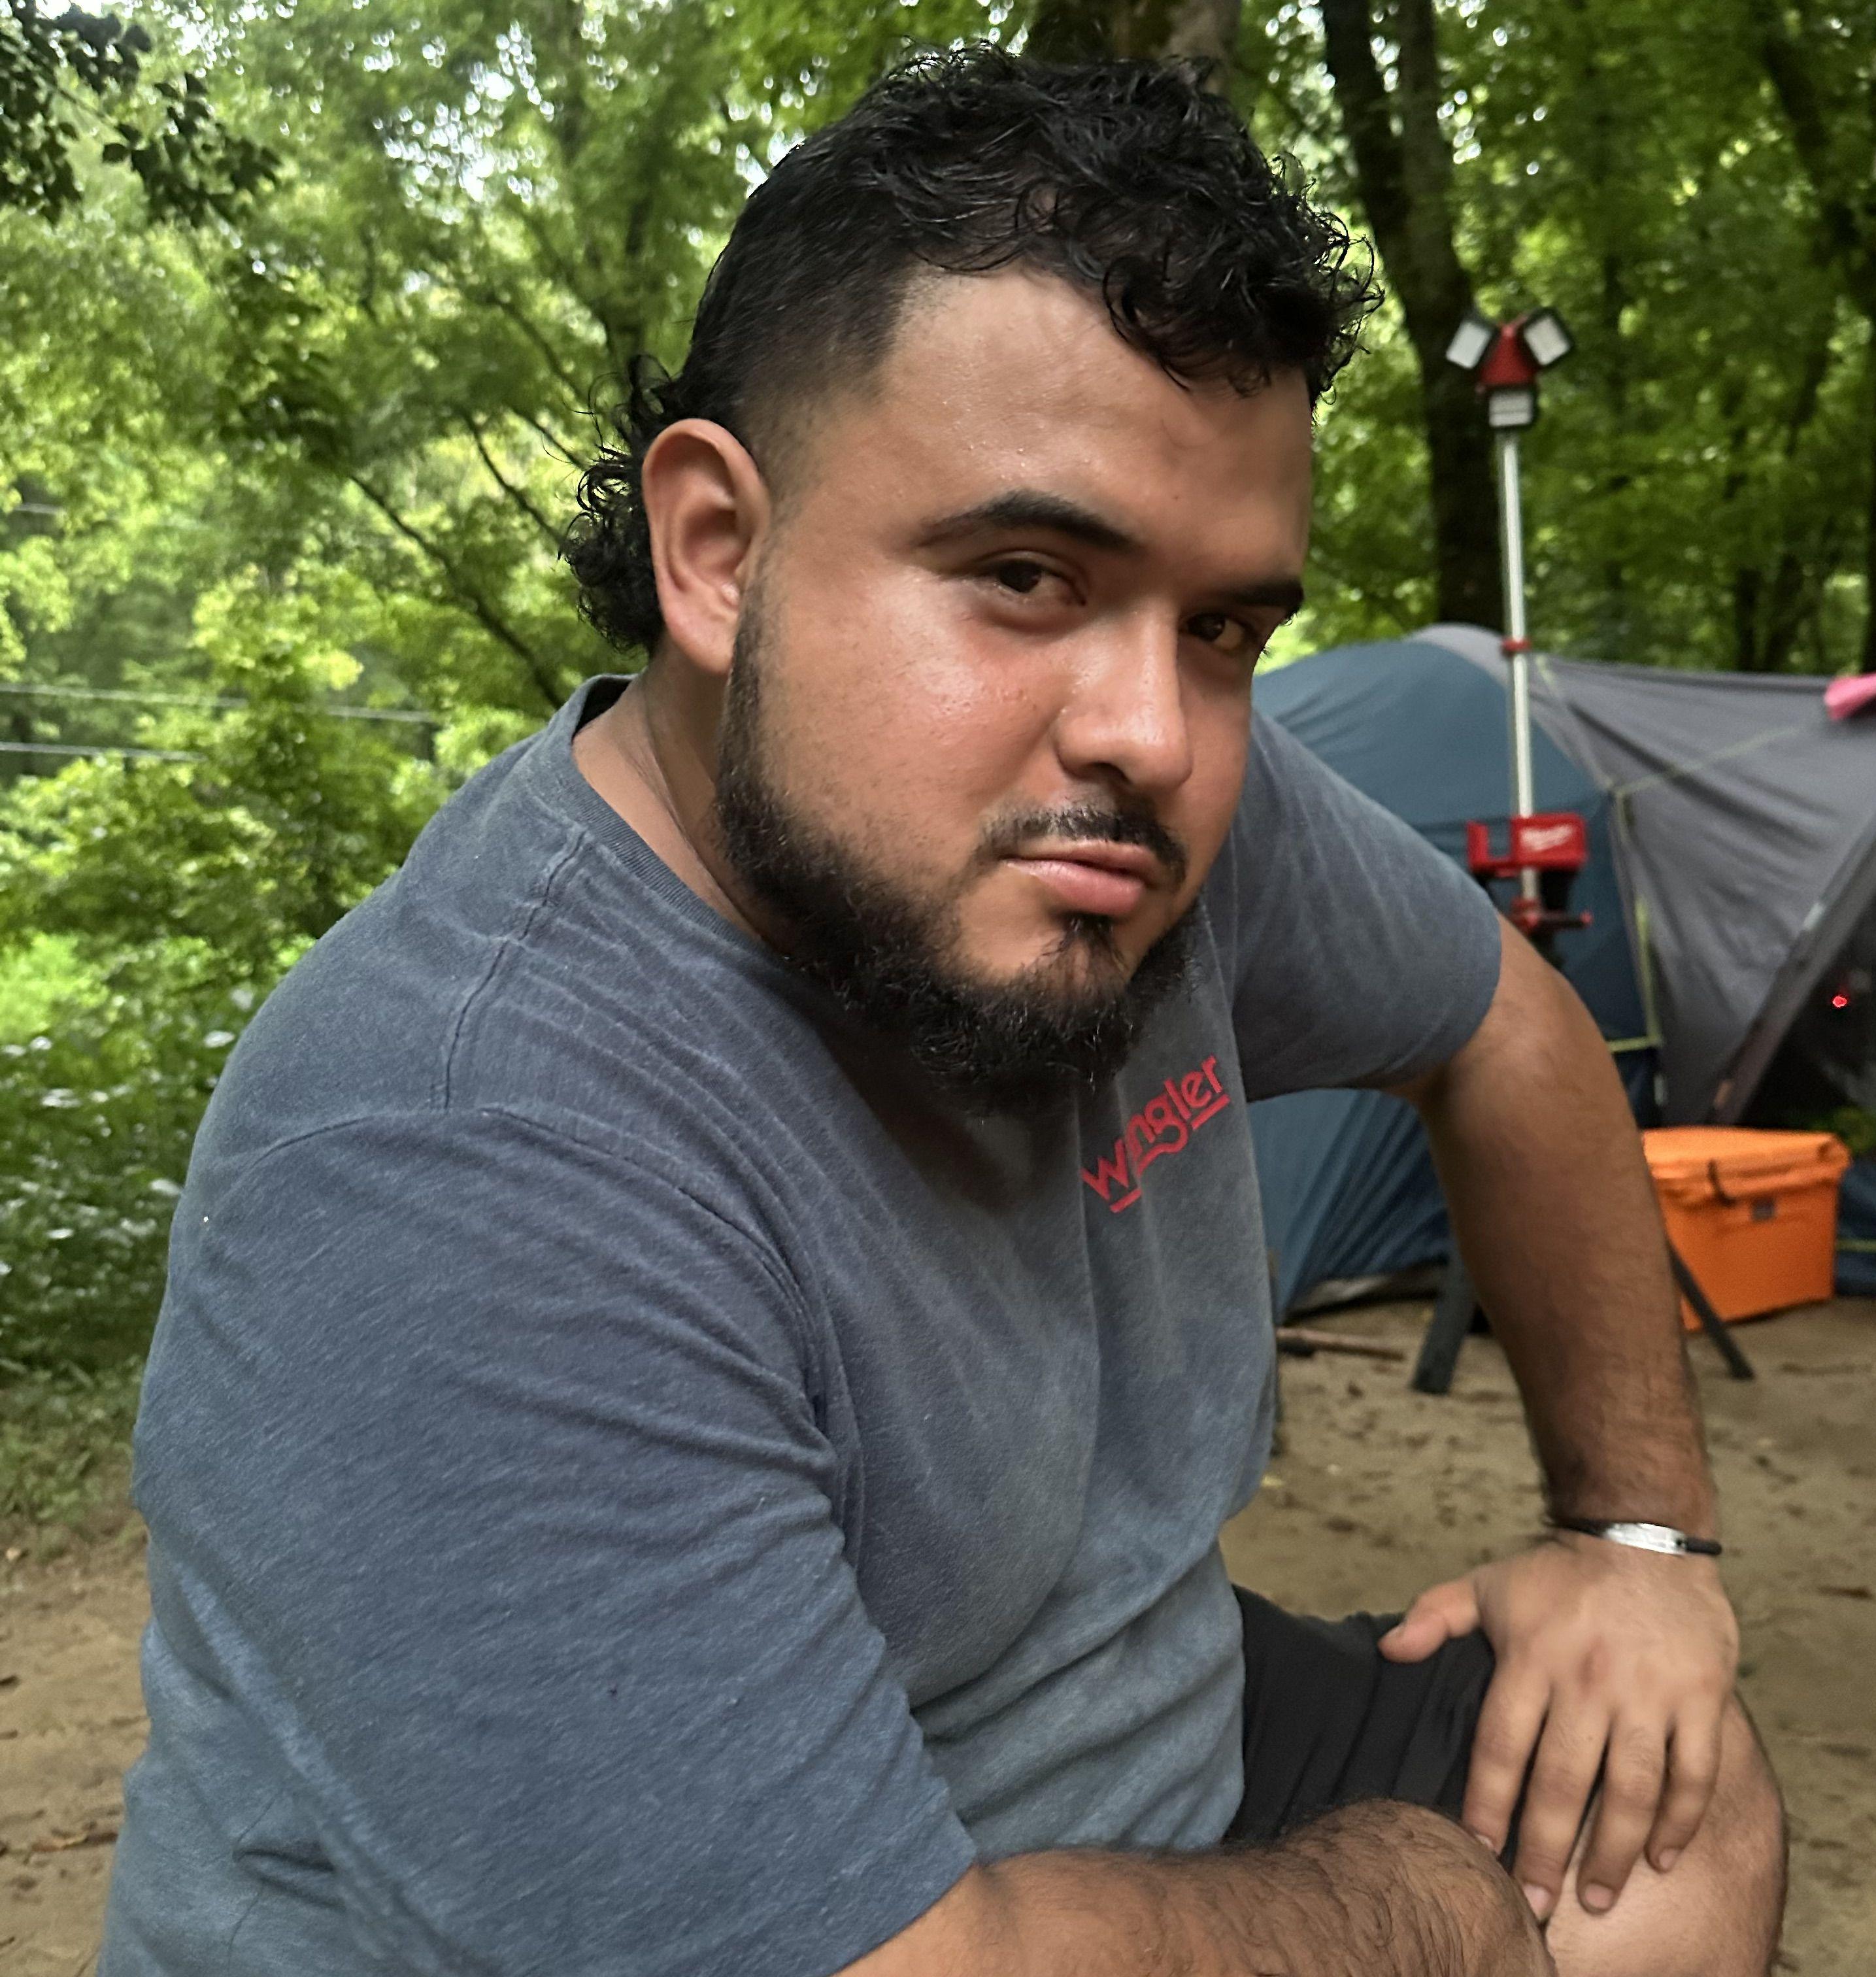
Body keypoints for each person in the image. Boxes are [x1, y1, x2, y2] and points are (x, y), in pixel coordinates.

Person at [100, 48, 1785, 1977]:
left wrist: (1639, 1546)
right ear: (717, 553)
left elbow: (1504, 1021)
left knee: (1675, 1804)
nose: (1153, 732)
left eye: (1224, 628)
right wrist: (1437, 1915)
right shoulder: (457, 1153)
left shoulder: (1135, 820)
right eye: (1025, 574)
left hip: (1148, 1773)